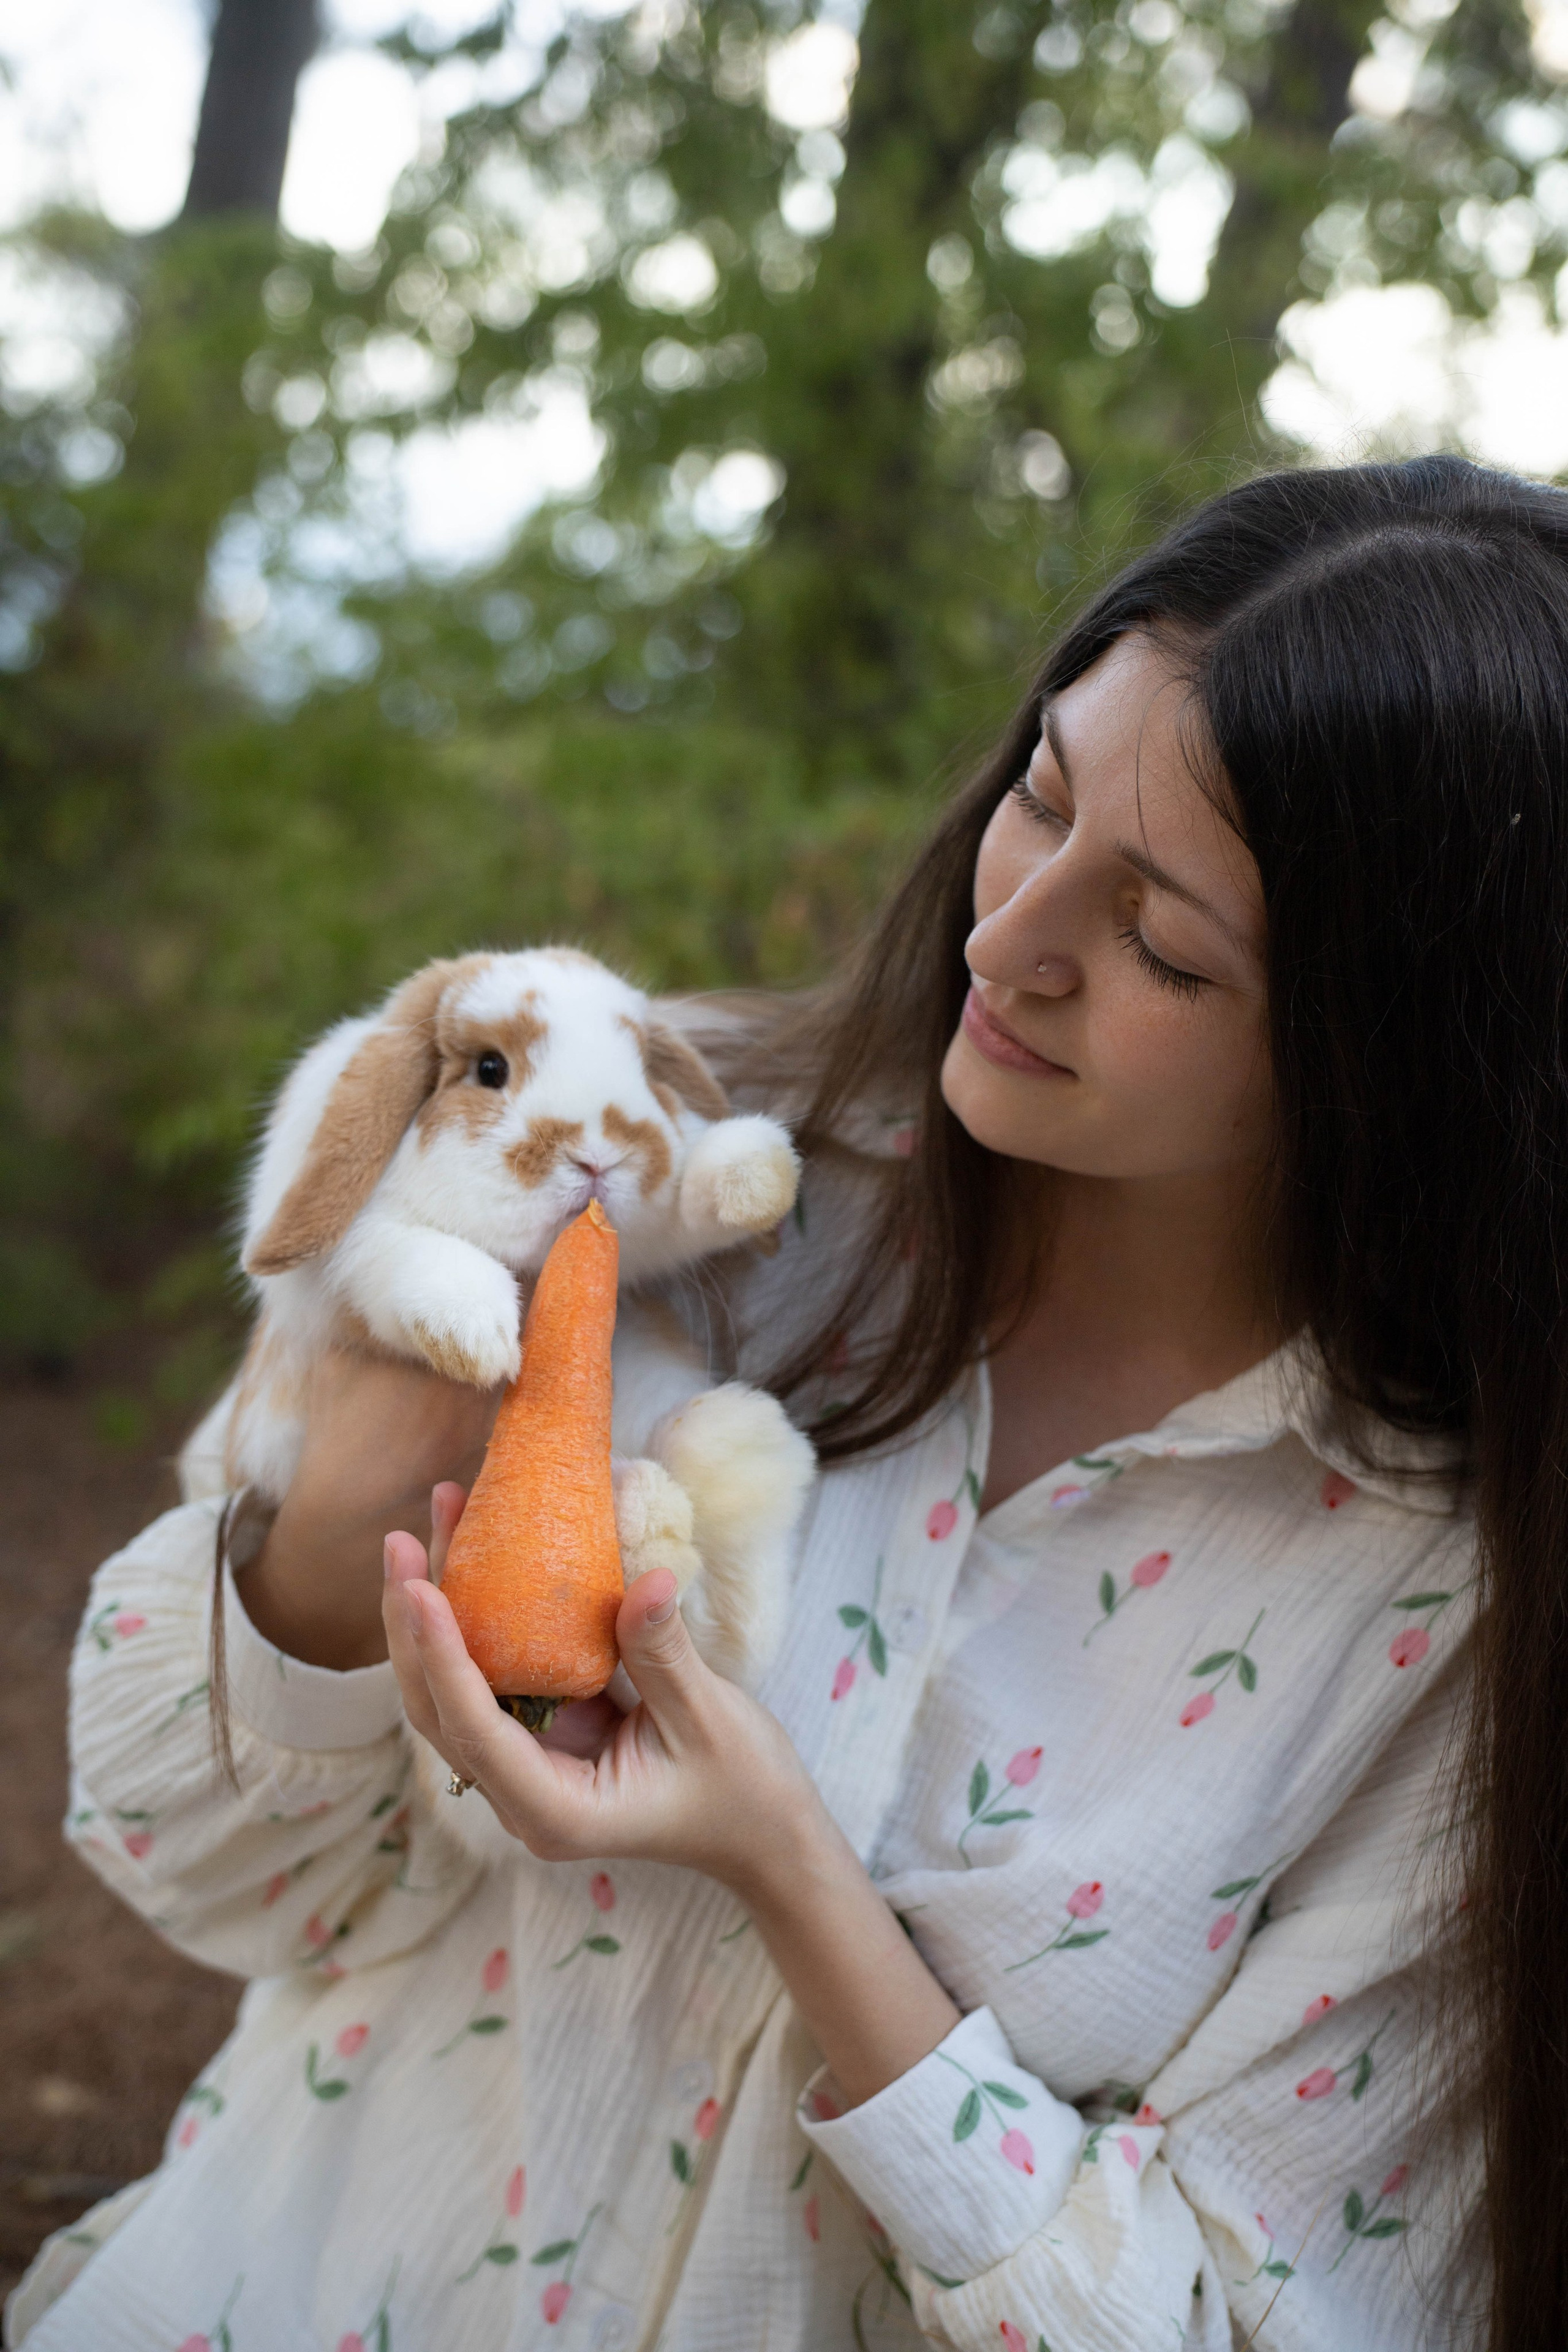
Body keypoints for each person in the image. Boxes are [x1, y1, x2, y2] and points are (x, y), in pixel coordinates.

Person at [9, 453, 1559, 2352]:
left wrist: (788, 1873)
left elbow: (1244, 2321)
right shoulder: (669, 1168)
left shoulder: (1444, 1604)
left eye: (1160, 943)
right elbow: (195, 1868)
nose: (1011, 944)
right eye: (1042, 799)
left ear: (1394, 1058)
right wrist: (356, 1498)